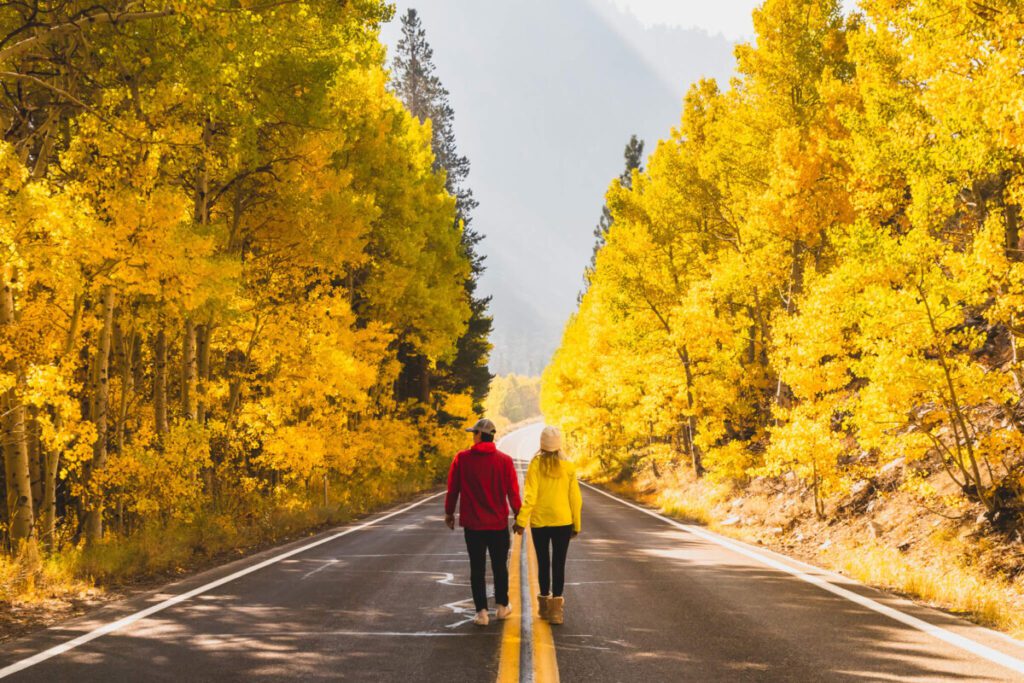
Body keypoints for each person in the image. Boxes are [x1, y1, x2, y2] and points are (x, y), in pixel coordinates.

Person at [445, 418, 521, 626]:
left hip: (473, 526)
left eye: (474, 433)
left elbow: (453, 490)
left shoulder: (462, 459)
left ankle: (481, 613)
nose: (472, 436)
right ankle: (502, 607)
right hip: (497, 524)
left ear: (479, 435)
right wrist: (519, 517)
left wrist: (449, 513)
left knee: (477, 568)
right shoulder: (504, 461)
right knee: (499, 566)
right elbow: (513, 492)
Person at [513, 425, 582, 625]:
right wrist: (576, 523)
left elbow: (530, 497)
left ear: (542, 444)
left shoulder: (535, 465)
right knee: (559, 563)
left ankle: (544, 606)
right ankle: (556, 613)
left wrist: (520, 521)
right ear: (558, 445)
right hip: (563, 521)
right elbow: (575, 498)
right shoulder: (568, 467)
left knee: (543, 562)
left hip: (539, 522)